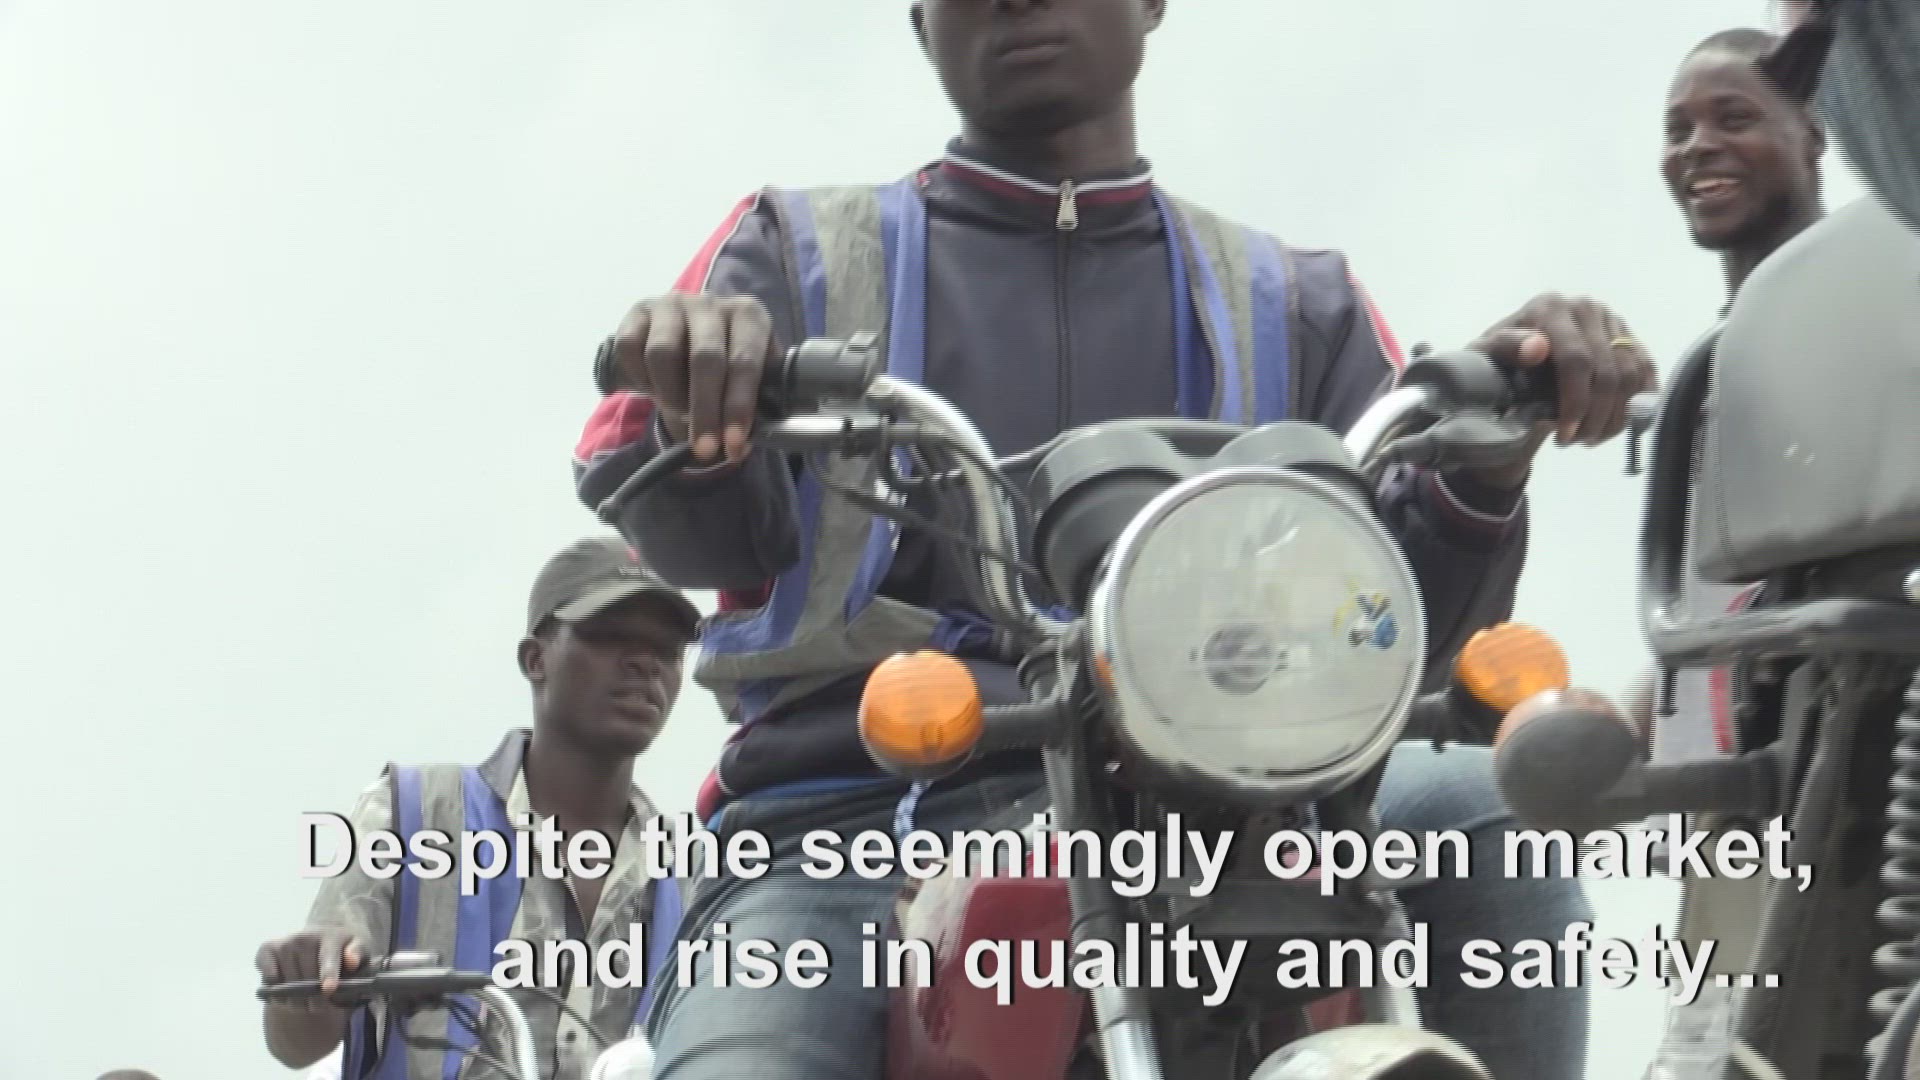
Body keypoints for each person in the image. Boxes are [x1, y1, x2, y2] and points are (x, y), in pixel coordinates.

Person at [572, 4, 1656, 1078]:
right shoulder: (793, 250)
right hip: (850, 827)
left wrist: (1485, 457)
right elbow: (687, 527)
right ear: (921, 22)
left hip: (1232, 813)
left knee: (1478, 811)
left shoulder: (1299, 302)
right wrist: (692, 390)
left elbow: (1394, 624)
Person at [253, 537, 701, 1080]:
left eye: (668, 649)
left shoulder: (695, 874)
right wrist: (301, 981)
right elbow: (299, 1046)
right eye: (609, 635)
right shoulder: (412, 815)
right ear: (535, 659)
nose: (645, 663)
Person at [1627, 26, 1826, 760]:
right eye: (1678, 130)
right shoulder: (1706, 379)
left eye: (1734, 118)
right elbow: (1711, 606)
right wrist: (1624, 718)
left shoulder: (1882, 321)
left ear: (1812, 135)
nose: (1698, 146)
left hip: (1851, 767)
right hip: (1720, 790)